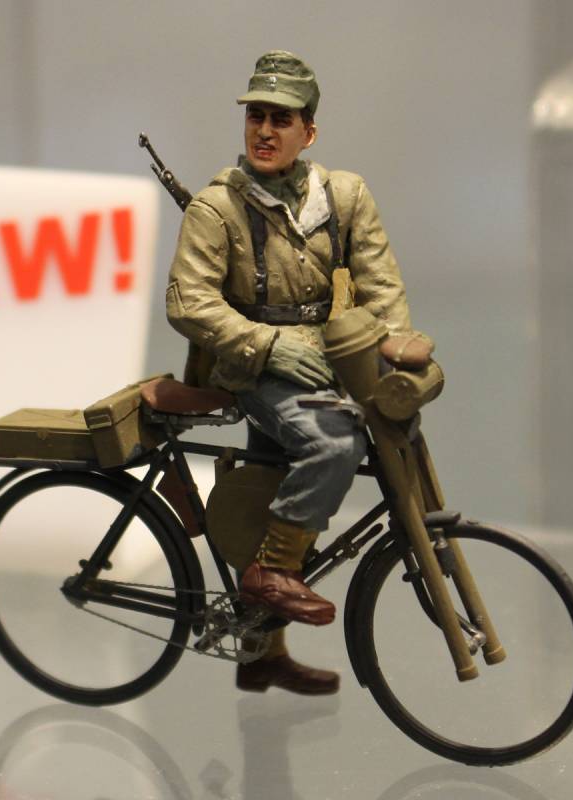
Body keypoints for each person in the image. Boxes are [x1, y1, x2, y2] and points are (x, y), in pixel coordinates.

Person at [167, 50, 413, 694]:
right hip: (253, 365)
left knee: (266, 496)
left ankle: (260, 651)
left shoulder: (343, 196)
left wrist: (399, 351)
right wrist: (267, 346)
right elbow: (190, 303)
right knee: (333, 445)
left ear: (309, 131)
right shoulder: (217, 208)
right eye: (257, 116)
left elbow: (381, 285)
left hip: (328, 361)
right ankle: (271, 572)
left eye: (282, 119)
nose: (265, 131)